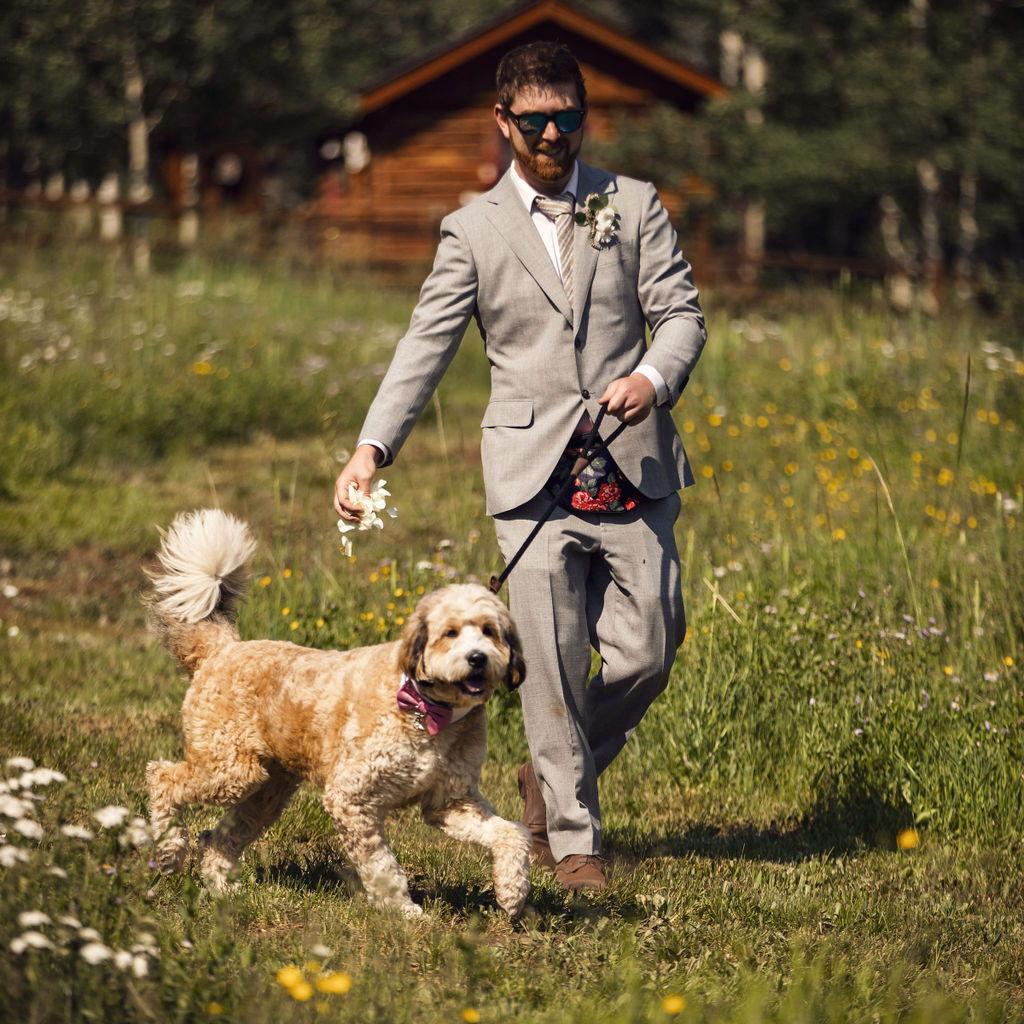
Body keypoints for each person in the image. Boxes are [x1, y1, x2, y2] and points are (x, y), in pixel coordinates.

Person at [333, 41, 706, 892]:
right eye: (533, 120)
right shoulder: (471, 230)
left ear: (583, 115)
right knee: (551, 660)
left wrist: (651, 377)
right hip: (530, 476)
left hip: (632, 467)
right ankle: (572, 843)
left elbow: (682, 314)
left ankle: (551, 773)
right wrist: (370, 448)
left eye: (566, 118)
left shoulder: (634, 204)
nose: (551, 134)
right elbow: (424, 348)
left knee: (650, 645)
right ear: (502, 121)